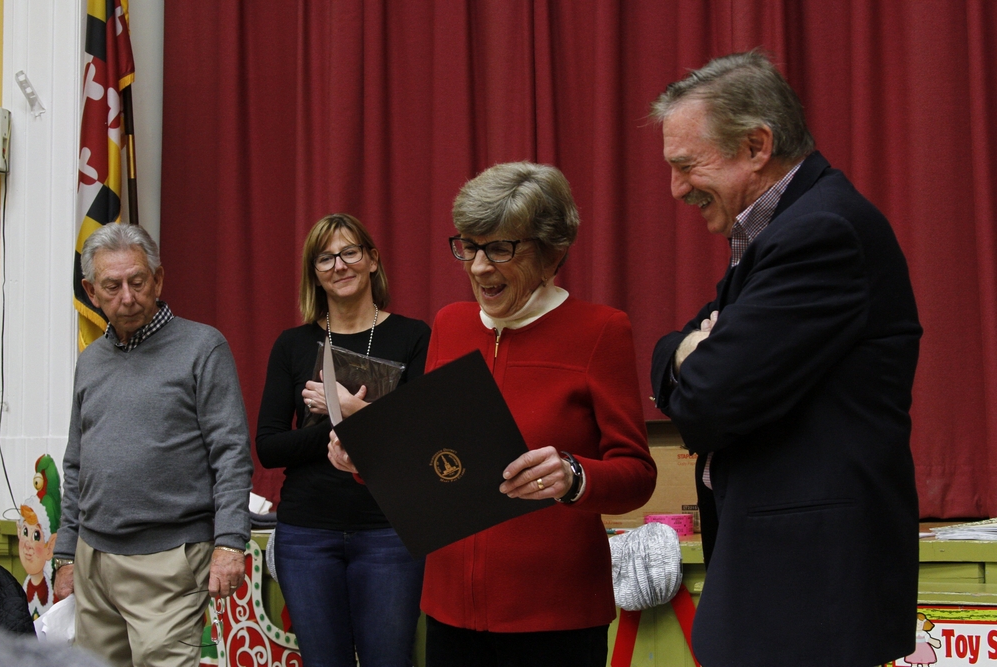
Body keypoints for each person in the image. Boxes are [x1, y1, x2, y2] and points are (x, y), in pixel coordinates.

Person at [649, 50, 921, 666]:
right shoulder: (780, 231)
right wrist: (689, 349)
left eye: (686, 165)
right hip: (786, 576)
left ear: (756, 145)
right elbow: (681, 349)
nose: (676, 188)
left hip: (805, 584)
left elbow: (707, 401)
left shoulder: (819, 232)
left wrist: (693, 353)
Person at [329, 162, 656, 666]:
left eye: (500, 248)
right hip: (449, 612)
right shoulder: (451, 324)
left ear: (552, 252)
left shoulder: (600, 331)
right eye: (469, 245)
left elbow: (636, 475)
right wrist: (368, 457)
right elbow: (434, 462)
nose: (479, 267)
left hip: (555, 616)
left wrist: (572, 475)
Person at [53, 223, 254, 667]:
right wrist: (66, 554)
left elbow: (231, 452)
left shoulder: (203, 347)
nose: (127, 296)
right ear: (90, 290)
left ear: (158, 280)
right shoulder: (90, 361)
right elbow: (75, 463)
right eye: (112, 285)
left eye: (138, 281)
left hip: (170, 561)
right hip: (93, 559)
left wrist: (229, 543)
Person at [257, 213, 430, 667]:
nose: (339, 265)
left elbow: (423, 442)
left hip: (389, 530)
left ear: (372, 259)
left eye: (350, 252)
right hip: (306, 533)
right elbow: (270, 447)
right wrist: (340, 426)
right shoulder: (292, 345)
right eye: (325, 258)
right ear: (314, 273)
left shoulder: (414, 337)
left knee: (390, 660)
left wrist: (350, 411)